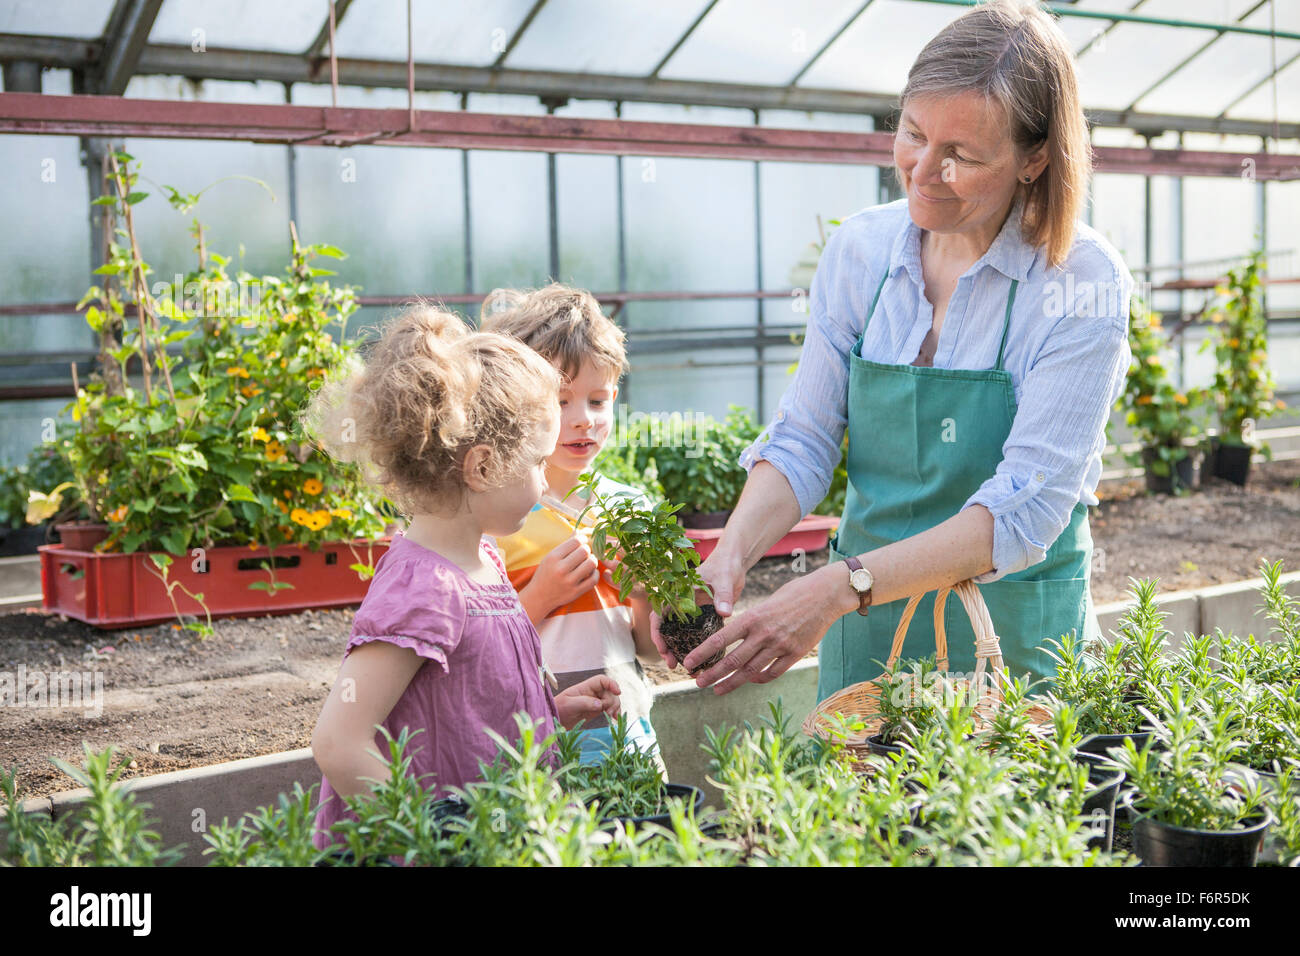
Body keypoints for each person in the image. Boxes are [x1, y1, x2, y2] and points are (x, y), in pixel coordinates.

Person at [656, 0, 1133, 701]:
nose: (922, 170)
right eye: (912, 134)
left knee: (1003, 809)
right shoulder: (860, 251)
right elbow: (805, 438)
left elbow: (1025, 511)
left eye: (961, 155)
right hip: (869, 628)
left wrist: (835, 588)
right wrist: (728, 557)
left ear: (1035, 158)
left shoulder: (1079, 281)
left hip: (1010, 630)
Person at [307, 304, 622, 851]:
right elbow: (339, 742)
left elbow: (468, 704)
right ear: (481, 468)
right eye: (534, 464)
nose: (542, 481)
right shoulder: (425, 589)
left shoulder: (484, 563)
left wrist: (552, 714)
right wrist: (436, 839)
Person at [481, 284, 664, 770]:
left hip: (632, 739)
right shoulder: (499, 516)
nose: (582, 420)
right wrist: (542, 594)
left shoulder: (629, 507)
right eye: (561, 402)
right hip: (540, 745)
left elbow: (649, 650)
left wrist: (645, 592)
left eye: (598, 401)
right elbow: (479, 653)